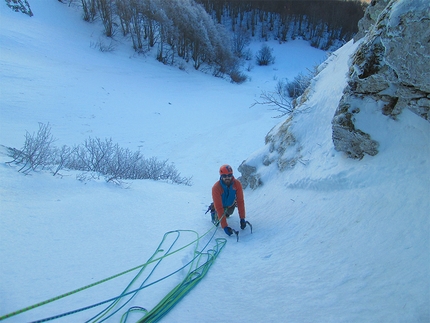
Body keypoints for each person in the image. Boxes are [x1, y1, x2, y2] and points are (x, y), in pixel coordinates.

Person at [211, 164, 247, 236]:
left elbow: (240, 201)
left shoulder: (237, 184)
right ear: (221, 176)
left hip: (230, 205)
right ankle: (213, 211)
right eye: (224, 176)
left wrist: (242, 218)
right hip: (219, 206)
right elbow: (219, 207)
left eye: (229, 175)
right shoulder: (216, 188)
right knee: (217, 222)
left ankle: (226, 213)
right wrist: (225, 226)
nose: (227, 177)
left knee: (227, 214)